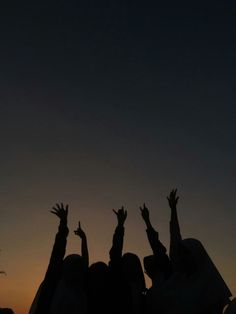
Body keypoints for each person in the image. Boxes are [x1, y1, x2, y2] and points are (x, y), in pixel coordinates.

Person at [109, 207, 146, 314]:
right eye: (126, 263)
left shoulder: (145, 295)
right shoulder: (118, 286)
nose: (129, 266)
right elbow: (116, 251)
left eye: (131, 263)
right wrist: (120, 225)